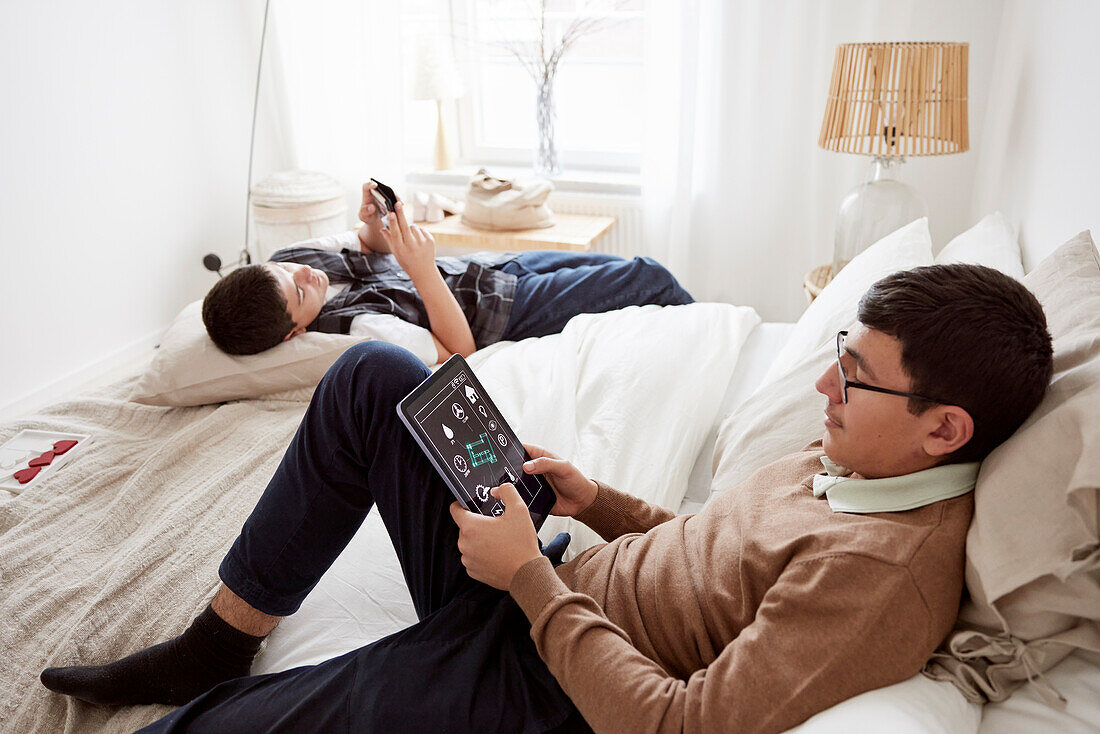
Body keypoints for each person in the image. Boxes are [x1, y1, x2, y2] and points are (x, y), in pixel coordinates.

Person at [40, 264, 1054, 733]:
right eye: (834, 357)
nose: (824, 390)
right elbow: (710, 545)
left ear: (944, 428)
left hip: (550, 678)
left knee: (226, 728)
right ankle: (224, 631)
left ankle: (217, 690)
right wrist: (594, 497)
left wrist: (527, 577)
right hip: (556, 577)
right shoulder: (861, 460)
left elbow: (679, 726)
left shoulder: (878, 580)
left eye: (856, 378)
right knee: (380, 381)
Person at [201, 182, 693, 364]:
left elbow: (365, 249)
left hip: (494, 269)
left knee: (631, 269)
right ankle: (704, 331)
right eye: (299, 290)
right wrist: (421, 272)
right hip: (502, 309)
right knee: (651, 277)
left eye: (289, 269)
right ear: (295, 332)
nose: (307, 272)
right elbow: (460, 352)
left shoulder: (294, 255)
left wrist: (375, 227)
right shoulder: (357, 330)